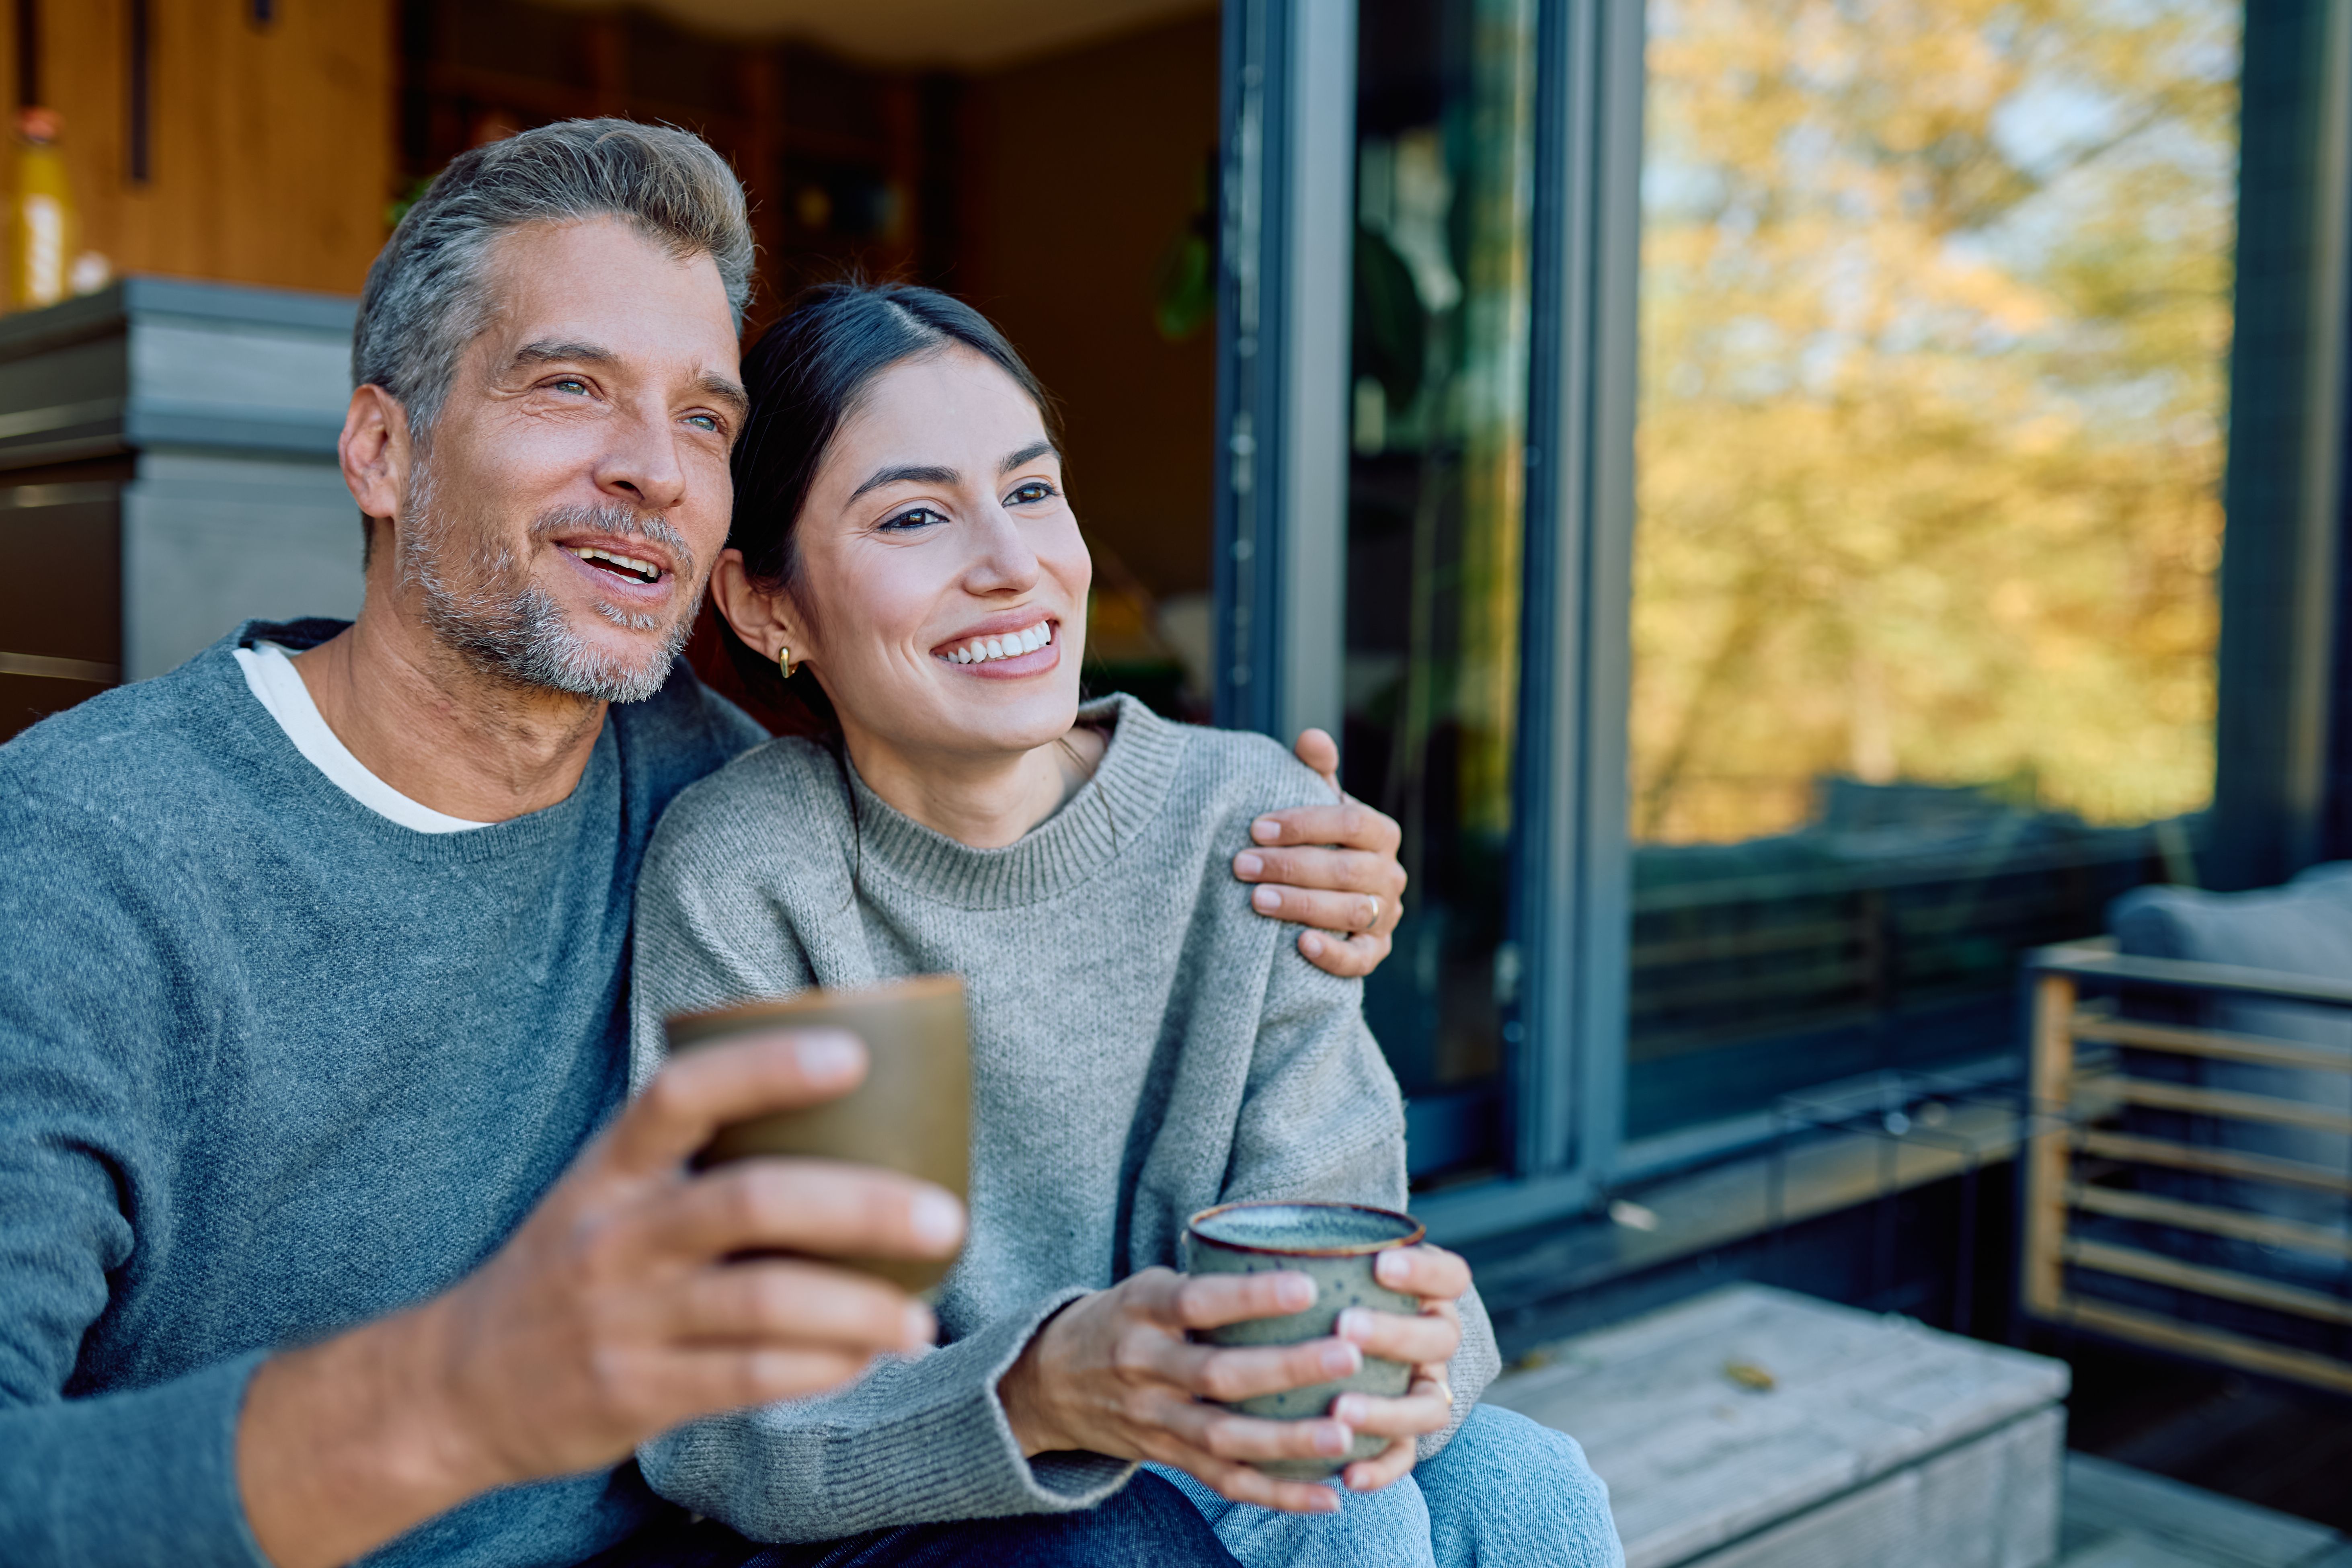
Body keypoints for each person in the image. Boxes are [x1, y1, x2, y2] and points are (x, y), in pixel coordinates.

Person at [0, 120, 1409, 1568]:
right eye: (570, 389)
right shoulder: (79, 860)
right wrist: (456, 1395)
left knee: (1479, 1492)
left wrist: (1273, 844)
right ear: (382, 448)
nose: (653, 472)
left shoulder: (721, 797)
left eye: (703, 420)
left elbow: (876, 1319)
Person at [623, 281, 1623, 1568]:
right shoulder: (771, 875)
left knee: (1525, 1488)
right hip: (912, 1509)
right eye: (917, 515)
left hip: (1207, 1457)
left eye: (1032, 491)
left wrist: (1418, 1358)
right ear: (766, 607)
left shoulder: (1247, 824)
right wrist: (1046, 1384)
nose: (1010, 564)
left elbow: (1332, 1254)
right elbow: (754, 1420)